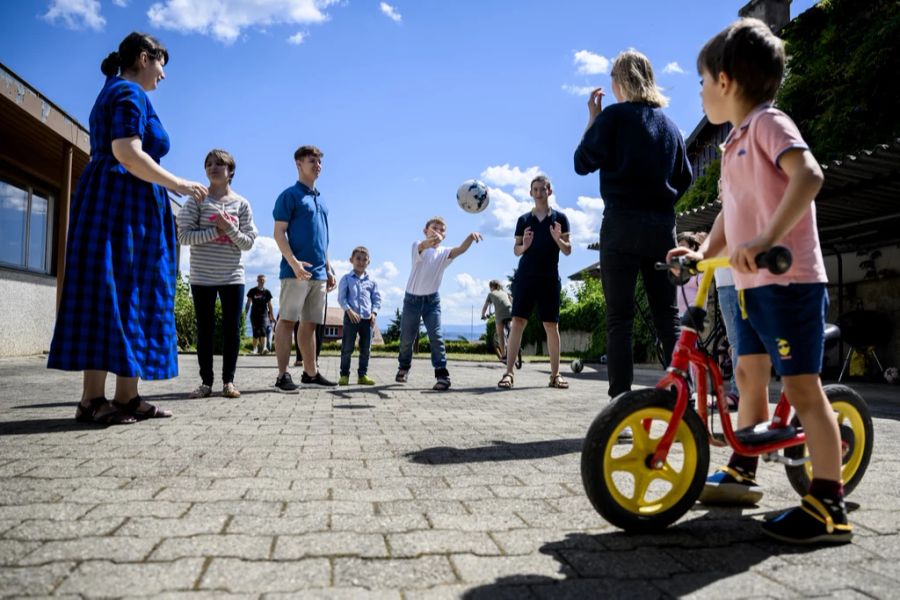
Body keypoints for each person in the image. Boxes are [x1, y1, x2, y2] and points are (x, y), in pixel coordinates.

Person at [668, 18, 848, 544]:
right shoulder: (731, 144)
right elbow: (730, 212)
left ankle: (828, 505)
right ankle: (745, 471)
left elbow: (809, 176)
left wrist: (770, 237)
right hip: (752, 289)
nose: (700, 92)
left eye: (702, 82)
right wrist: (702, 252)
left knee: (801, 389)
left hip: (789, 280)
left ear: (725, 82)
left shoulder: (770, 123)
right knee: (748, 376)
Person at [48, 32, 207, 424]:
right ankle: (92, 400)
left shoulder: (114, 90)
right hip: (121, 204)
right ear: (143, 57)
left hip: (117, 200)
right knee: (117, 290)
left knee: (124, 291)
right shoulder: (129, 93)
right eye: (161, 65)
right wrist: (179, 184)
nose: (164, 76)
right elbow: (126, 152)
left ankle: (126, 397)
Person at [574, 49, 693, 399]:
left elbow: (582, 163)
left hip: (621, 226)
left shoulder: (612, 118)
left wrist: (593, 120)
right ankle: (680, 399)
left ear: (619, 82)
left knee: (619, 321)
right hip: (661, 229)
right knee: (667, 318)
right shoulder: (670, 127)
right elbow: (684, 178)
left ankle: (621, 405)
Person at [178, 149, 257, 399]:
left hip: (233, 276)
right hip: (202, 277)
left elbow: (247, 242)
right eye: (209, 164)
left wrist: (229, 227)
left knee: (233, 329)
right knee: (205, 330)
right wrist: (215, 232)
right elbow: (184, 236)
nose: (213, 167)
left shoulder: (241, 204)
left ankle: (228, 382)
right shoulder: (196, 200)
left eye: (219, 164)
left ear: (230, 171)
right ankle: (205, 383)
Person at [272, 145, 337, 392]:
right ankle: (282, 375)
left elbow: (323, 241)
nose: (317, 165)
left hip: (319, 274)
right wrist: (294, 263)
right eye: (312, 161)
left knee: (310, 324)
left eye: (320, 162)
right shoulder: (289, 196)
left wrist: (329, 269)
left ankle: (310, 373)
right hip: (295, 271)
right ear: (298, 163)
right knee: (287, 321)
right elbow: (278, 233)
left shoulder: (321, 200)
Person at [497, 175, 571, 390]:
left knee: (551, 325)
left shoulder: (560, 219)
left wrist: (558, 239)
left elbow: (568, 250)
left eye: (543, 189)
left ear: (550, 191)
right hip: (526, 278)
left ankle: (555, 375)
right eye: (535, 189)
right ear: (531, 193)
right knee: (518, 322)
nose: (539, 193)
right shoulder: (523, 220)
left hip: (549, 279)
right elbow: (516, 250)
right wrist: (525, 245)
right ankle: (508, 373)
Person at [396, 217, 482, 390]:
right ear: (425, 231)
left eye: (442, 230)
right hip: (412, 300)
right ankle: (404, 367)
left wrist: (470, 237)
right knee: (407, 338)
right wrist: (430, 241)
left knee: (436, 336)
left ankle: (442, 374)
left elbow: (460, 249)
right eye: (434, 228)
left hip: (432, 302)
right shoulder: (417, 246)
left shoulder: (444, 253)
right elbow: (424, 245)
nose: (438, 231)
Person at [337, 246, 382, 385]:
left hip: (367, 320)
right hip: (351, 318)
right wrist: (349, 311)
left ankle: (362, 375)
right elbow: (342, 298)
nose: (361, 262)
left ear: (369, 262)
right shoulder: (346, 279)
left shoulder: (372, 282)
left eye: (364, 259)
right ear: (351, 260)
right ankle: (344, 375)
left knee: (365, 349)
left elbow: (376, 299)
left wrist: (374, 313)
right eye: (358, 258)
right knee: (347, 348)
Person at [481, 280, 513, 360]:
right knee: (511, 329)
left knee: (500, 334)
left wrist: (483, 315)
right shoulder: (504, 292)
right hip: (510, 310)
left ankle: (503, 355)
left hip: (500, 313)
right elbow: (511, 300)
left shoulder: (491, 294)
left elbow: (485, 306)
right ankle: (515, 346)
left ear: (491, 287)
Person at [244, 274, 275, 355]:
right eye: (260, 279)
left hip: (264, 315)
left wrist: (272, 315)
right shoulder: (252, 291)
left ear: (265, 281)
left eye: (263, 280)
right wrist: (245, 314)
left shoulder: (267, 292)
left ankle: (264, 348)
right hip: (254, 314)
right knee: (256, 332)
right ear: (257, 280)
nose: (261, 281)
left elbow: (270, 305)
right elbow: (248, 303)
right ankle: (254, 349)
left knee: (263, 330)